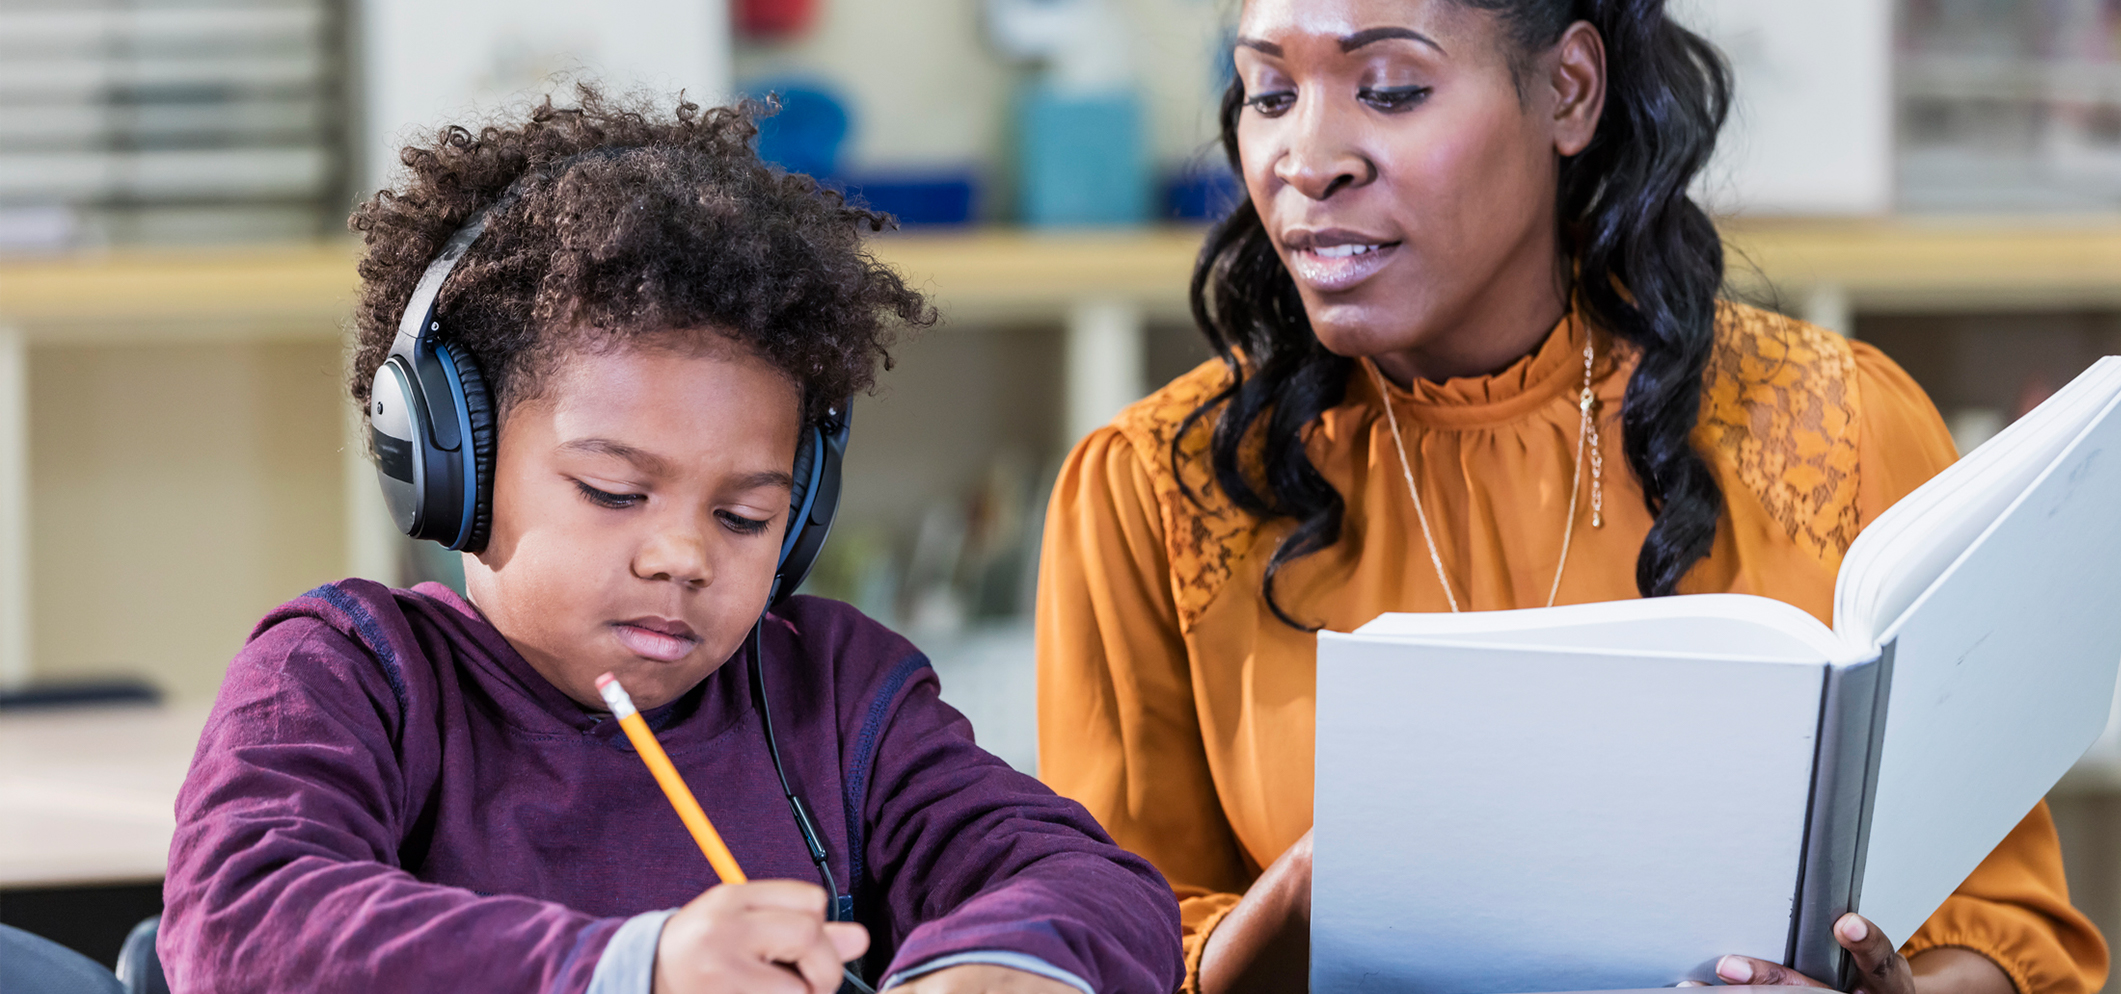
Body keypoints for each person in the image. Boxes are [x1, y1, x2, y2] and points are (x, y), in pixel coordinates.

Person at [1033, 2, 2109, 994]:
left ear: (1569, 92)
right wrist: (1310, 899)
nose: (1307, 161)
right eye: (1269, 94)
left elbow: (2003, 924)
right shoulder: (1152, 491)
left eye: (1392, 89)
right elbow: (1104, 946)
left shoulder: (1845, 427)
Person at [160, 89, 1182, 994]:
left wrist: (992, 968)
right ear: (448, 461)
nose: (682, 556)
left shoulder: (836, 696)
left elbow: (1093, 882)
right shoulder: (350, 673)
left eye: (744, 516)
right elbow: (241, 924)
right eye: (615, 490)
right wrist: (634, 967)